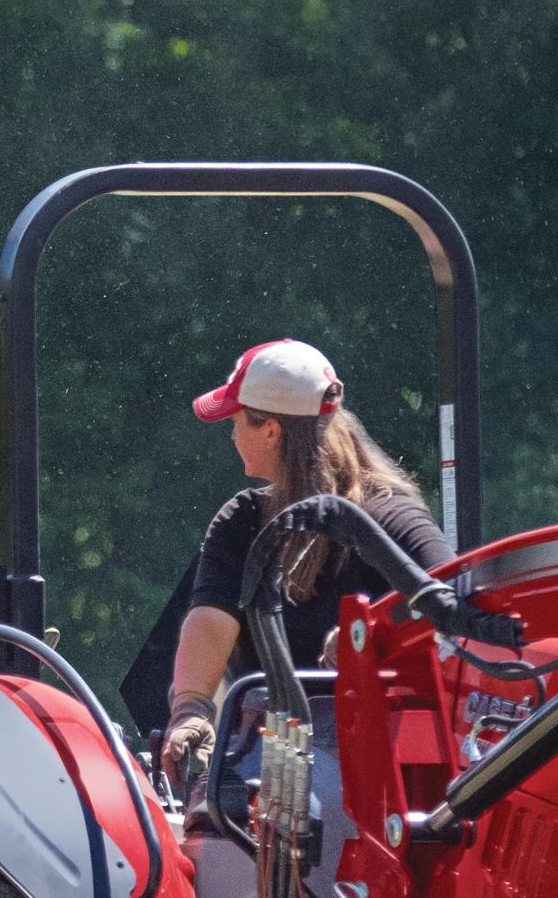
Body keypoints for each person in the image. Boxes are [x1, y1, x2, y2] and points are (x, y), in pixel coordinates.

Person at [139, 337, 447, 799]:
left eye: (238, 420)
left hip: (384, 779)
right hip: (268, 767)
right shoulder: (241, 522)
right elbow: (209, 620)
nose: (231, 434)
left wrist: (373, 637)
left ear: (271, 431)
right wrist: (191, 710)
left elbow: (451, 595)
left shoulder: (389, 515)